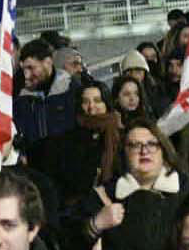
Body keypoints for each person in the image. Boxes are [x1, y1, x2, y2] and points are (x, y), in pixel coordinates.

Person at [67, 116, 189, 250]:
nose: (144, 151)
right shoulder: (104, 195)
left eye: (152, 144)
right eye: (135, 145)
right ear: (124, 153)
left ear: (164, 150)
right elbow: (68, 245)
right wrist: (95, 224)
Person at [31, 80, 123, 227]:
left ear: (107, 103)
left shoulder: (121, 136)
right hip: (81, 214)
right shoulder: (65, 141)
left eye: (97, 101)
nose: (91, 107)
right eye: (86, 102)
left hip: (117, 208)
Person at [13, 38, 78, 147]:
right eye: (24, 69)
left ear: (47, 62)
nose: (27, 75)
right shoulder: (19, 89)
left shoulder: (71, 87)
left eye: (31, 68)